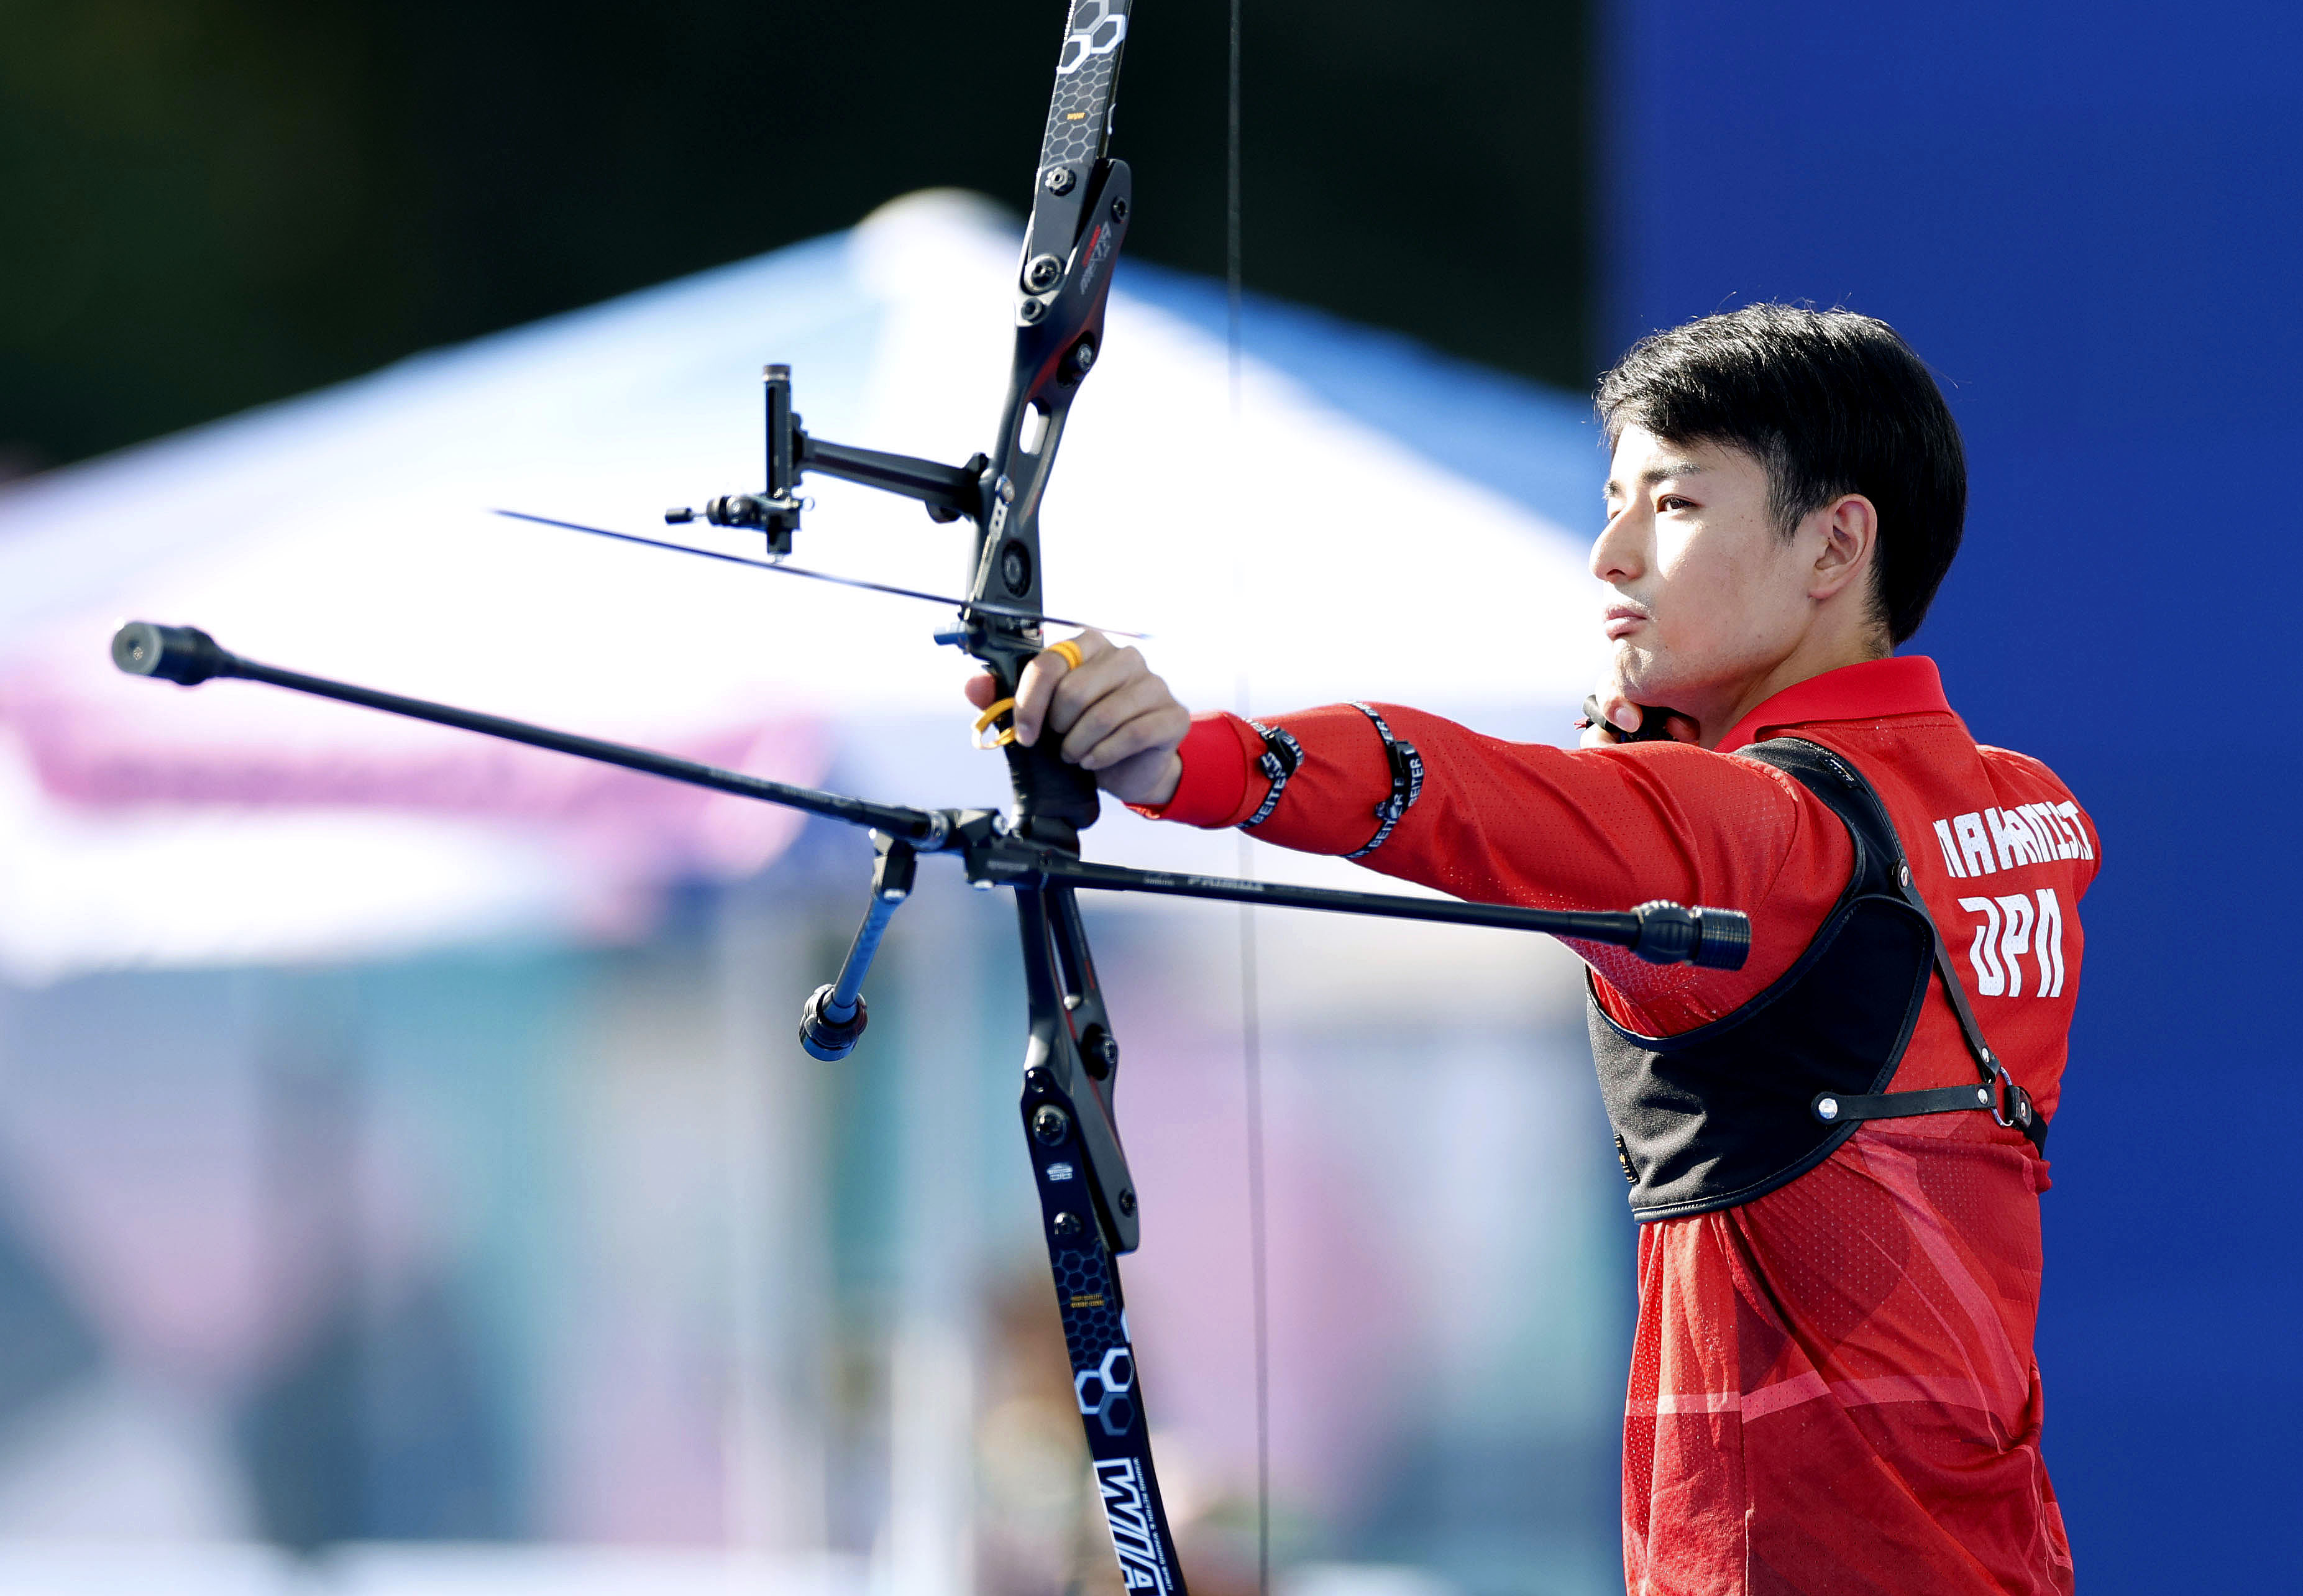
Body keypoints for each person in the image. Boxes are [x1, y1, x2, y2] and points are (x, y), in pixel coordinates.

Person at [967, 304, 2091, 1595]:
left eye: (1670, 505)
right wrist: (1654, 778)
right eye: (1612, 499)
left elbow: (1461, 793)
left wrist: (1186, 760)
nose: (1609, 554)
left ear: (1835, 542)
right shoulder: (2023, 810)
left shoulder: (1760, 829)